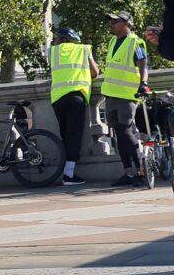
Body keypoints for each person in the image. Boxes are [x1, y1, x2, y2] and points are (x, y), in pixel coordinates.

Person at [101, 11, 150, 187]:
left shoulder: (135, 42)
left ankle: (141, 171)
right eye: (111, 21)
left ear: (126, 23)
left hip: (127, 95)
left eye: (115, 21)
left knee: (126, 132)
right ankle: (127, 173)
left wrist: (143, 83)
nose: (111, 24)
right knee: (118, 135)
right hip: (111, 94)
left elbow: (143, 64)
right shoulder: (113, 41)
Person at [48, 28, 99, 187]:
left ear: (61, 39)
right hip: (76, 96)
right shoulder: (83, 49)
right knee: (74, 135)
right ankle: (69, 175)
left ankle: (66, 171)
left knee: (64, 135)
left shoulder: (52, 52)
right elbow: (95, 72)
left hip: (58, 98)